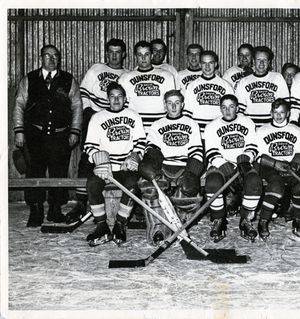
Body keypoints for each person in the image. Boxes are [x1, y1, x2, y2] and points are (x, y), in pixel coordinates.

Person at [13, 44, 82, 227]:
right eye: (47, 56)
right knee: (34, 172)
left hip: (60, 136)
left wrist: (75, 131)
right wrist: (19, 130)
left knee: (58, 172)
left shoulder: (68, 80)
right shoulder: (29, 79)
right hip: (34, 135)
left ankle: (55, 210)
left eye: (55, 56)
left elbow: (77, 106)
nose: (51, 59)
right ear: (41, 58)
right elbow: (19, 105)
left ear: (59, 59)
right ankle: (36, 210)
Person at [66, 38, 128, 224]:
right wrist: (91, 114)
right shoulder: (96, 69)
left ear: (124, 54)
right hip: (94, 119)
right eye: (111, 52)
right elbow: (83, 93)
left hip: (115, 123)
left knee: (114, 161)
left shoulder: (127, 74)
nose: (114, 55)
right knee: (88, 160)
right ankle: (80, 202)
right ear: (106, 53)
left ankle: (118, 203)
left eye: (118, 52)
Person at [84, 82, 146, 246]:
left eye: (120, 97)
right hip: (106, 168)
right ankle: (101, 224)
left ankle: (120, 224)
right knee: (92, 184)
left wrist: (135, 157)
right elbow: (89, 146)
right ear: (108, 99)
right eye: (113, 96)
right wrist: (99, 160)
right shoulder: (97, 117)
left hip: (125, 167)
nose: (116, 100)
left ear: (125, 99)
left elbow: (141, 142)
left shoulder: (134, 116)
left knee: (133, 184)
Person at [138, 90, 204, 245]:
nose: (173, 107)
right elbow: (151, 149)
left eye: (177, 103)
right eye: (169, 103)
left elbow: (197, 151)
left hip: (183, 166)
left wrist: (192, 173)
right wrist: (151, 165)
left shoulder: (191, 123)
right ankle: (158, 229)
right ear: (164, 105)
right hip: (163, 165)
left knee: (188, 190)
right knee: (149, 188)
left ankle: (180, 226)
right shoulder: (157, 124)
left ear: (183, 105)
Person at [203, 94, 260, 242]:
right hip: (220, 163)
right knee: (212, 183)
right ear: (220, 108)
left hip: (242, 163)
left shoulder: (248, 122)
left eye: (231, 107)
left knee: (254, 181)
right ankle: (218, 220)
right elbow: (210, 150)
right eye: (224, 107)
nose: (227, 111)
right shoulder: (212, 126)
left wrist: (246, 157)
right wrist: (222, 163)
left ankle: (246, 220)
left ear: (238, 108)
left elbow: (253, 145)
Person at [254, 99, 300, 240]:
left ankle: (297, 220)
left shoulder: (296, 130)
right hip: (269, 167)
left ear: (288, 113)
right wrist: (274, 163)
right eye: (275, 112)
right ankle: (263, 220)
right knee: (276, 186)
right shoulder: (262, 130)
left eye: (282, 113)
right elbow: (258, 156)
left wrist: (295, 164)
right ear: (271, 113)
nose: (278, 116)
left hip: (289, 166)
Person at [118, 40, 175, 133]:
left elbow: (171, 103)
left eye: (147, 54)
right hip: (135, 127)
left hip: (160, 126)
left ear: (152, 56)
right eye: (140, 55)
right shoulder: (125, 78)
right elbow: (123, 105)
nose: (143, 58)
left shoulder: (167, 76)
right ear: (136, 56)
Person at [235, 46, 290, 129]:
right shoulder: (244, 81)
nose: (261, 63)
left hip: (272, 126)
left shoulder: (277, 78)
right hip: (251, 126)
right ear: (253, 61)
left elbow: (285, 104)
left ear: (268, 62)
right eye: (258, 60)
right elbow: (239, 110)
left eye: (264, 60)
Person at [184, 50, 234, 137]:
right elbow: (187, 114)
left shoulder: (226, 86)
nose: (207, 66)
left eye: (210, 63)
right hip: (198, 133)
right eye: (204, 63)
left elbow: (231, 112)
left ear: (215, 64)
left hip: (219, 131)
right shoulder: (191, 86)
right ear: (200, 64)